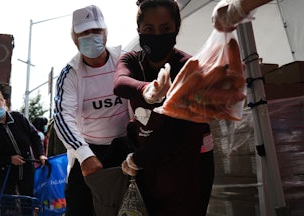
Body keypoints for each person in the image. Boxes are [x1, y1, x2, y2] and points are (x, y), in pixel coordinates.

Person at [114, 0, 214, 215]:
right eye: (149, 29)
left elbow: (180, 133)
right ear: (139, 30)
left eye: (165, 29)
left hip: (187, 167)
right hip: (148, 167)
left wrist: (137, 159)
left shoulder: (191, 68)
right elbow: (120, 83)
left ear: (176, 28)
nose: (157, 35)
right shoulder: (133, 60)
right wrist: (146, 90)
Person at [52, 4, 131, 216]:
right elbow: (62, 116)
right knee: (79, 207)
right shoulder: (70, 74)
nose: (92, 36)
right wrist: (84, 155)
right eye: (85, 32)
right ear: (74, 38)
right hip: (88, 149)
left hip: (126, 148)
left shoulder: (125, 61)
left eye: (96, 30)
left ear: (105, 33)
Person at [0, 90, 47, 200]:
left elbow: (34, 136)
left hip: (27, 171)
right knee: (8, 207)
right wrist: (9, 159)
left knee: (28, 203)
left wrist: (40, 154)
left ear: (4, 103)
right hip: (4, 174)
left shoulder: (18, 117)